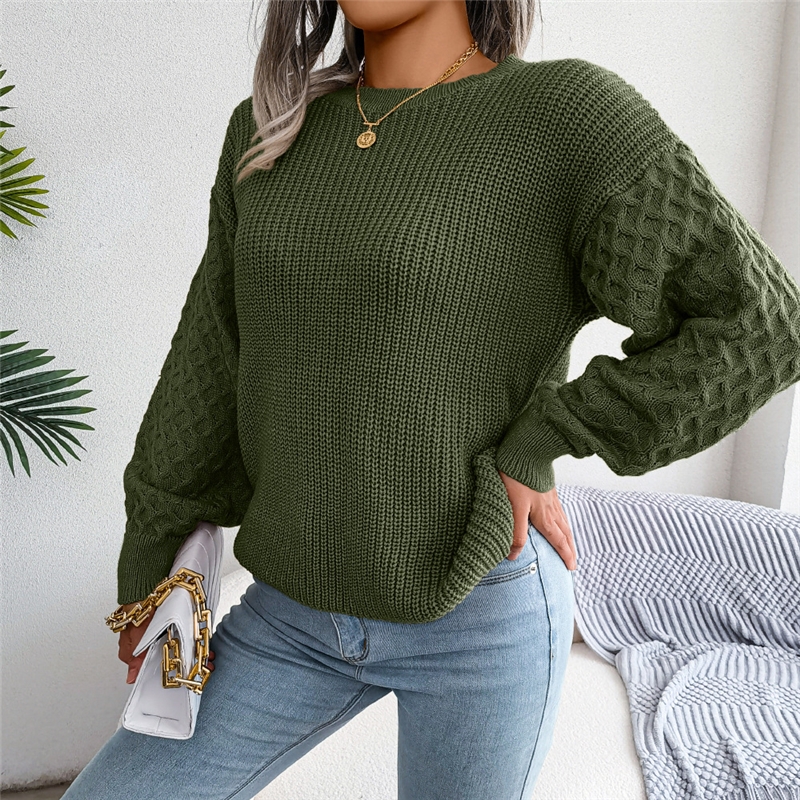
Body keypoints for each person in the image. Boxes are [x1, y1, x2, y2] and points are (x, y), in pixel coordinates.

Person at [62, 0, 800, 798]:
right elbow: (209, 360)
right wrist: (152, 564)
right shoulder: (268, 129)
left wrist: (547, 437)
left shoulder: (568, 119)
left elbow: (758, 324)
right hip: (291, 611)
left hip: (480, 609)